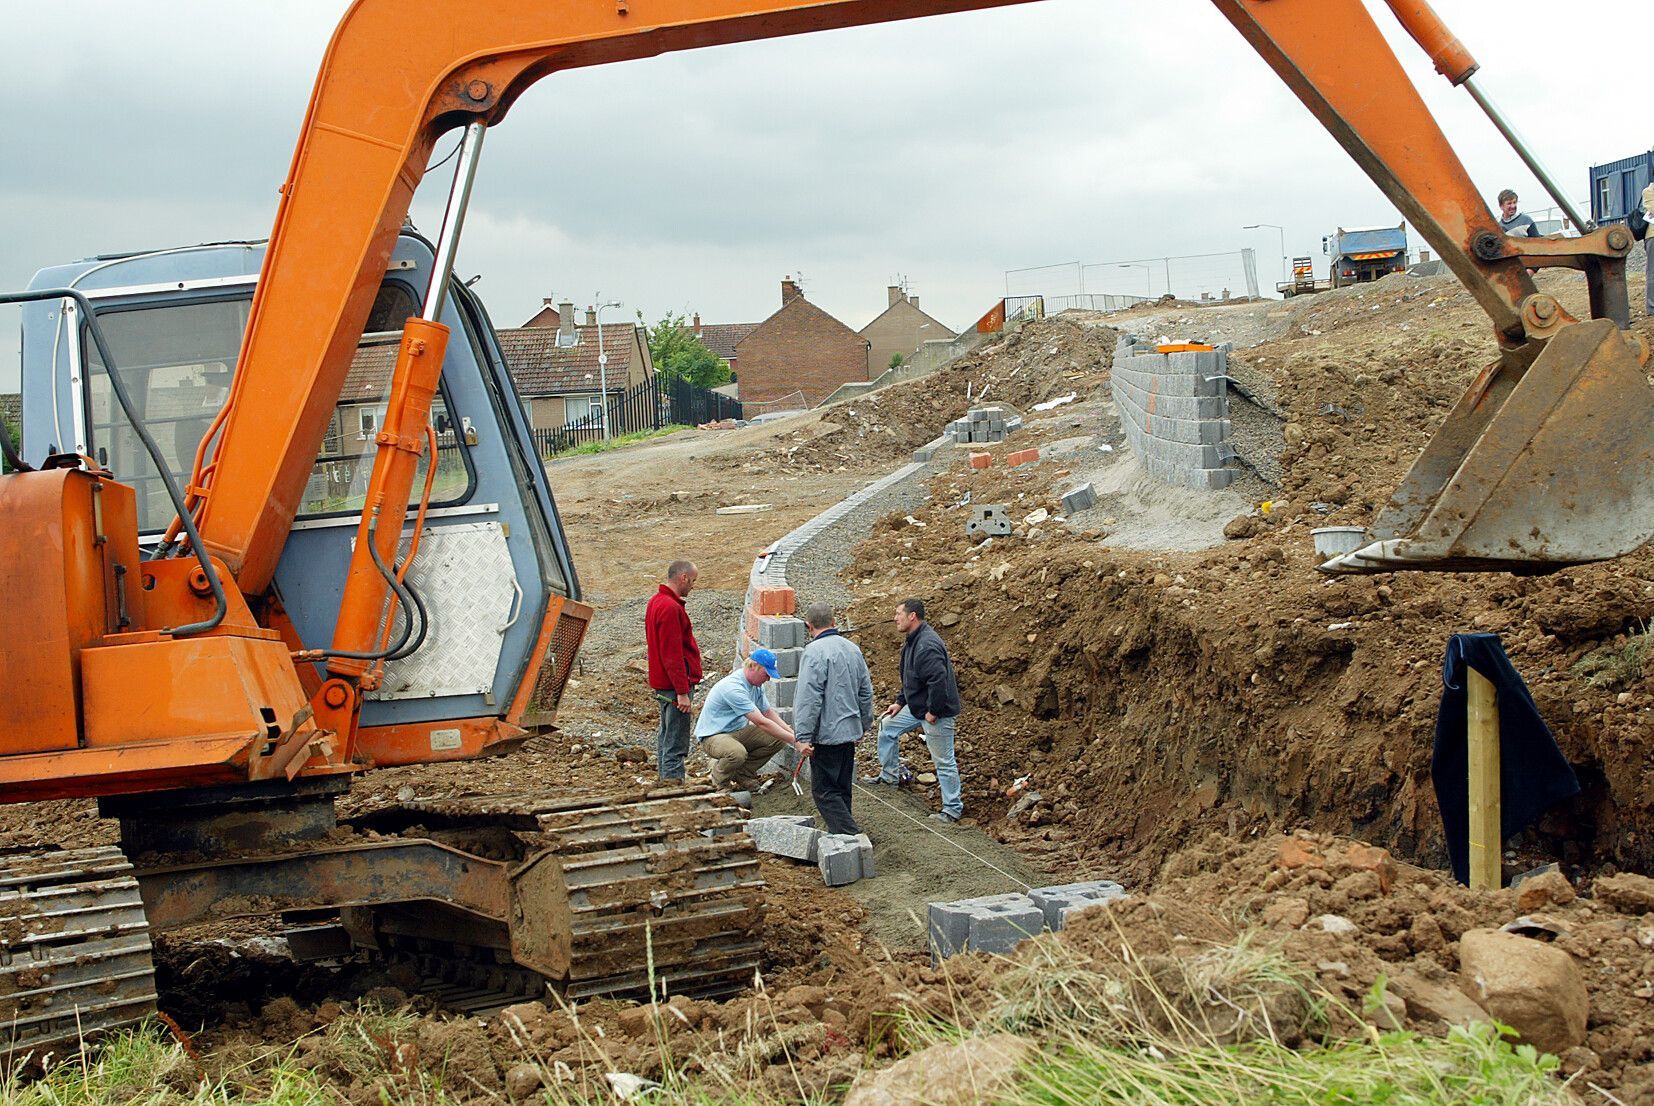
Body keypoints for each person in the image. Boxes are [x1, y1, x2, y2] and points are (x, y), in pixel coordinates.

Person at [867, 598, 964, 823]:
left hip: (937, 712)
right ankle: (889, 777)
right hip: (918, 706)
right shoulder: (913, 641)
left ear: (912, 616)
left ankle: (952, 809)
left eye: (898, 613)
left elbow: (939, 681)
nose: (895, 618)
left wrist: (933, 711)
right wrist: (900, 702)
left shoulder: (926, 645)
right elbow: (911, 679)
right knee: (887, 726)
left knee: (944, 761)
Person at [793, 602, 875, 836]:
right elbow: (865, 692)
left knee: (825, 792)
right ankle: (841, 842)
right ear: (834, 622)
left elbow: (809, 698)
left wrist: (803, 736)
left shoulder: (814, 652)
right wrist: (863, 725)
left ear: (809, 626)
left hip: (826, 736)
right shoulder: (852, 649)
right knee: (842, 789)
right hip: (849, 733)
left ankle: (851, 837)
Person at [695, 649, 809, 794]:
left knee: (778, 738)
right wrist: (795, 742)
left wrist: (795, 736)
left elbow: (768, 713)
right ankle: (719, 782)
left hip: (737, 731)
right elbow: (762, 722)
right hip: (713, 736)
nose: (768, 679)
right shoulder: (733, 688)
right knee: (736, 753)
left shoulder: (756, 686)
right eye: (766, 674)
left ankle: (742, 774)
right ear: (753, 666)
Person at [645, 560, 702, 781]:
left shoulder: (656, 602)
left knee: (666, 736)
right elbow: (672, 655)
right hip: (674, 687)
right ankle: (673, 788)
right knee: (675, 743)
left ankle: (665, 784)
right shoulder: (670, 608)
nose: (693, 586)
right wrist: (682, 692)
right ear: (683, 578)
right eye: (693, 581)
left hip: (664, 684)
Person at [1631, 182, 1654, 317]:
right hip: (1652, 236)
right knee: (1652, 272)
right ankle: (1652, 307)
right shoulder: (1648, 191)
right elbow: (1652, 209)